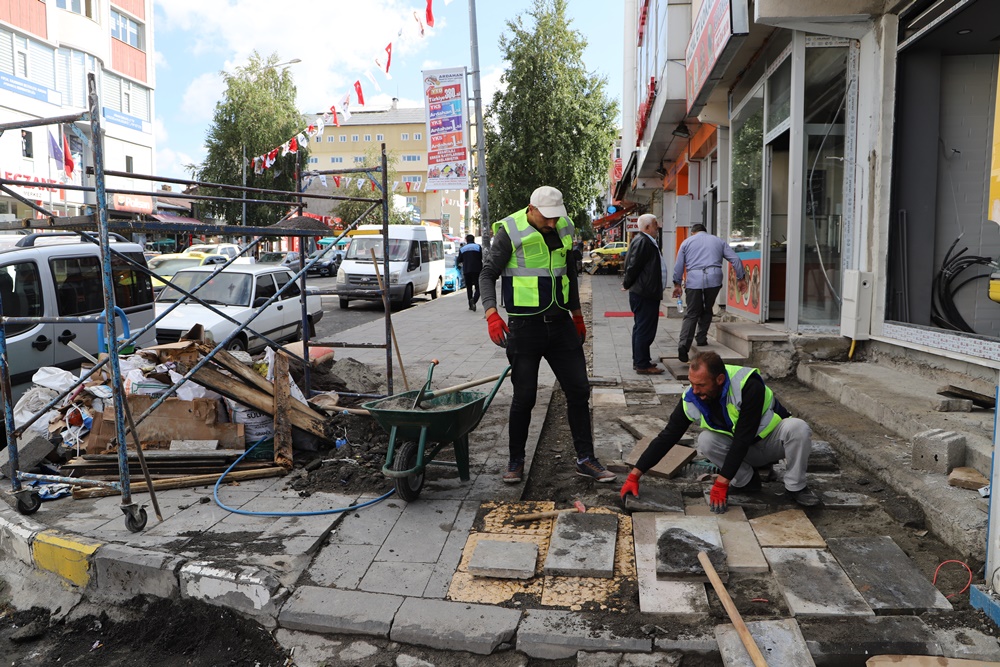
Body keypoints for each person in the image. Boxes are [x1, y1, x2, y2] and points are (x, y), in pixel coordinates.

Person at [480, 185, 616, 484]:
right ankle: (515, 462)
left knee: (579, 390)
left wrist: (578, 316)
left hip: (560, 324)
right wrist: (491, 314)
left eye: (557, 218)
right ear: (532, 208)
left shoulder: (564, 226)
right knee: (524, 396)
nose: (553, 223)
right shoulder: (510, 231)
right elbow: (487, 274)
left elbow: (569, 273)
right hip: (524, 327)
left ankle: (585, 459)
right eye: (547, 218)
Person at [619, 351, 820, 512]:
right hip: (742, 450)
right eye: (692, 383)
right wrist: (635, 474)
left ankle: (796, 487)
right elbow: (667, 436)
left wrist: (722, 482)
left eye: (701, 385)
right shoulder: (692, 398)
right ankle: (747, 481)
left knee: (798, 428)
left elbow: (743, 436)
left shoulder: (747, 385)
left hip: (770, 444)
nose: (695, 390)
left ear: (720, 379)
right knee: (706, 440)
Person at [672, 224, 747, 363]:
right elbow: (735, 259)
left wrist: (677, 284)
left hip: (694, 280)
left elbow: (679, 265)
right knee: (707, 308)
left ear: (693, 232)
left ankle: (683, 345)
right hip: (714, 277)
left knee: (692, 312)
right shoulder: (718, 241)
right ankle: (701, 338)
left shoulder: (687, 242)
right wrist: (740, 278)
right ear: (705, 232)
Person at [622, 214, 665, 375]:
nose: (658, 226)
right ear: (647, 227)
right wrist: (627, 283)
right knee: (644, 329)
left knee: (642, 327)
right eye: (655, 224)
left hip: (645, 291)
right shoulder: (643, 241)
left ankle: (642, 360)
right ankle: (641, 364)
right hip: (645, 292)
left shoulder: (643, 240)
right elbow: (632, 265)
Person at [456, 234, 483, 311]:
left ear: (466, 240)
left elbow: (459, 260)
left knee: (469, 287)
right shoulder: (478, 247)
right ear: (473, 239)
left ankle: (470, 304)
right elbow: (482, 257)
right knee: (478, 287)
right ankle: (474, 300)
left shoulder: (463, 249)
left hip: (467, 270)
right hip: (477, 270)